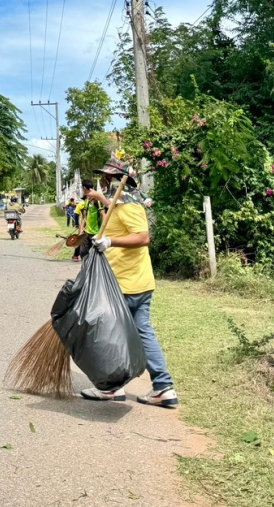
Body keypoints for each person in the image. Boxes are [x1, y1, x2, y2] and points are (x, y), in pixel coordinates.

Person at [80, 156, 179, 408]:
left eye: (106, 178)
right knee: (142, 332)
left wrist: (110, 242)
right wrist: (104, 206)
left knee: (109, 335)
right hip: (137, 281)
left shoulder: (128, 206)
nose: (102, 182)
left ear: (116, 181)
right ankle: (163, 388)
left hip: (125, 284)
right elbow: (115, 223)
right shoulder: (121, 203)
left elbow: (142, 237)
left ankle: (111, 388)